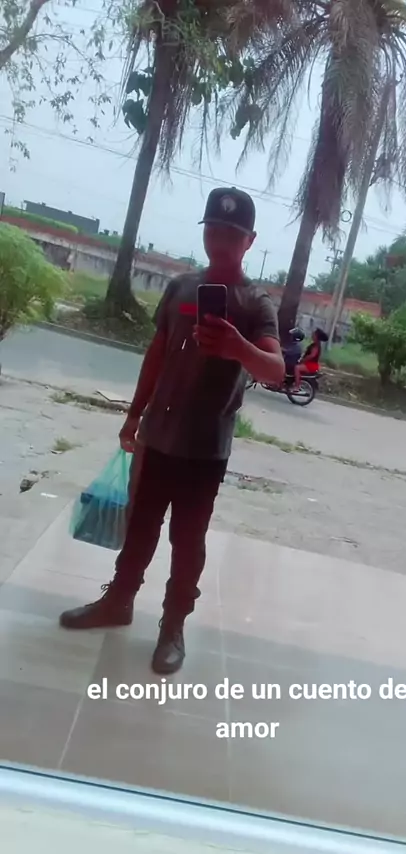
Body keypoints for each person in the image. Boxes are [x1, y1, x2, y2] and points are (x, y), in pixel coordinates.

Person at [59, 187, 285, 675]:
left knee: (188, 540)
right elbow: (157, 354)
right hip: (158, 436)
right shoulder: (181, 288)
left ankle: (174, 627)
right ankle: (118, 601)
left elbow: (276, 370)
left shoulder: (255, 303)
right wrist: (133, 415)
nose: (220, 242)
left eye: (232, 235)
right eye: (213, 231)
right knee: (140, 525)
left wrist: (239, 348)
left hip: (206, 449)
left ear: (249, 241)